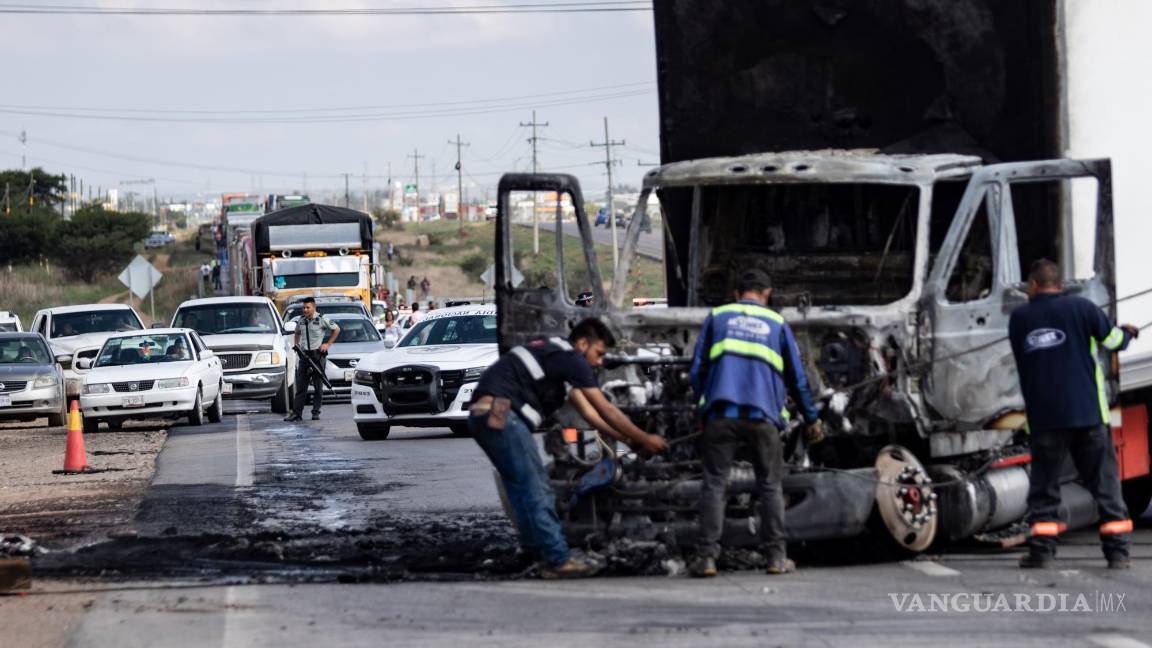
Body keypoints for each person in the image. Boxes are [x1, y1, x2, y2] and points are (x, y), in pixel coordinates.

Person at [469, 318, 669, 578]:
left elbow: (590, 415)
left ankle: (537, 552)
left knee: (521, 488)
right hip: (502, 412)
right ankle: (557, 560)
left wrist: (629, 441)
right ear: (583, 343)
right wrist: (645, 437)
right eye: (598, 354)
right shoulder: (571, 356)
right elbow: (605, 408)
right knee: (536, 488)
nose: (599, 362)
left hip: (485, 414)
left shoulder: (556, 359)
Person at [688, 269, 821, 578]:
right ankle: (776, 558)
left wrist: (702, 409)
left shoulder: (717, 316)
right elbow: (798, 380)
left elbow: (697, 371)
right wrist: (812, 418)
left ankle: (707, 558)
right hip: (764, 418)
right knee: (771, 486)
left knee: (715, 484)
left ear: (737, 293)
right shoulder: (776, 323)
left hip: (720, 415)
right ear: (767, 293)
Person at [1008, 259, 1138, 569]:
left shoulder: (1019, 318)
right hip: (1088, 415)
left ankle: (1042, 552)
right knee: (1105, 485)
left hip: (1044, 420)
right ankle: (1117, 554)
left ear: (1034, 285)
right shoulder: (1083, 308)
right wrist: (1129, 333)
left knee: (1045, 488)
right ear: (1061, 285)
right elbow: (1113, 341)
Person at [285, 297, 341, 423]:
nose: (305, 310)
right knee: (301, 386)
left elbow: (336, 329)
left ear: (313, 308)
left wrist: (327, 344)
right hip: (304, 357)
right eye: (304, 308)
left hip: (317, 356)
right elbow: (297, 332)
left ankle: (316, 412)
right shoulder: (301, 320)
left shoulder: (321, 319)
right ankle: (296, 414)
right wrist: (297, 346)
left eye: (307, 307)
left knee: (318, 386)